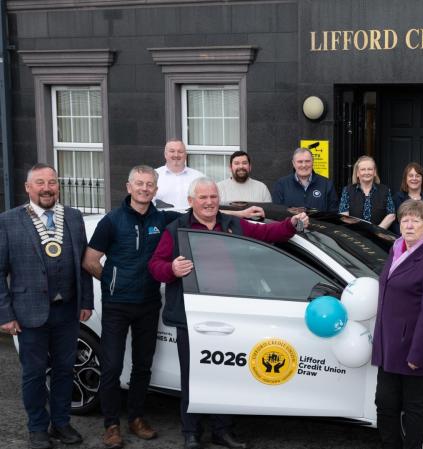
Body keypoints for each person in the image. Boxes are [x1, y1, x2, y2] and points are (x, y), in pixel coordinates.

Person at [148, 178, 309, 449]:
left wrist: (290, 225)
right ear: (191, 202)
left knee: (225, 375)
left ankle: (222, 431)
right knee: (193, 376)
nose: (210, 202)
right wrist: (171, 270)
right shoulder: (176, 229)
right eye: (203, 198)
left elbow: (268, 234)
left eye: (213, 196)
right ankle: (191, 432)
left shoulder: (232, 224)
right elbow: (155, 266)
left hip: (228, 313)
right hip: (193, 315)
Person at [82, 166, 183, 449]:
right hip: (116, 305)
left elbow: (199, 215)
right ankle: (111, 424)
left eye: (149, 184)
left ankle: (137, 418)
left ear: (156, 188)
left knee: (142, 365)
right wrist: (113, 281)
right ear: (129, 187)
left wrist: (244, 214)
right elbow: (90, 260)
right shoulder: (111, 221)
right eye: (139, 184)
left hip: (149, 304)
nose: (144, 188)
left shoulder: (162, 219)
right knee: (112, 365)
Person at [0, 164, 93, 449]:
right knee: (34, 373)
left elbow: (84, 265)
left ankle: (61, 423)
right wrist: (5, 313)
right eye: (40, 182)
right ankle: (37, 427)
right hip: (28, 312)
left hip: (67, 310)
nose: (47, 187)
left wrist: (86, 301)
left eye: (52, 182)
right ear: (28, 187)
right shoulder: (8, 220)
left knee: (66, 369)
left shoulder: (74, 218)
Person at [371, 200, 423, 449]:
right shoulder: (396, 249)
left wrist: (418, 354)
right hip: (389, 346)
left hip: (413, 349)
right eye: (405, 219)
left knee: (413, 408)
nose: (409, 224)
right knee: (384, 403)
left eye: (415, 220)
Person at [272, 147, 339, 212]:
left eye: (307, 161)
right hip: (292, 224)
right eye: (300, 162)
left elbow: (333, 213)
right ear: (293, 163)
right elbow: (277, 213)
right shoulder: (281, 184)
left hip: (318, 224)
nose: (304, 165)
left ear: (313, 162)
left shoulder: (327, 184)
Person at [339, 155, 396, 229]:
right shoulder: (347, 190)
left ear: (375, 172)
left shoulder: (385, 190)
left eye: (370, 169)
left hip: (378, 236)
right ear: (357, 173)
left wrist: (377, 231)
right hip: (354, 236)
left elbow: (391, 215)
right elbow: (343, 216)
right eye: (363, 169)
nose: (367, 172)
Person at [154, 139, 204, 209]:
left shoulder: (199, 177)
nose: (176, 155)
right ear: (165, 154)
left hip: (190, 219)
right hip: (163, 219)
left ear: (185, 155)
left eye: (180, 151)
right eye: (172, 151)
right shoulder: (153, 176)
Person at [391, 163, 423, 234]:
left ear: (422, 178)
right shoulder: (397, 198)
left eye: (417, 176)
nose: (414, 178)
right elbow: (394, 224)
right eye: (411, 176)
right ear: (405, 178)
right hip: (403, 239)